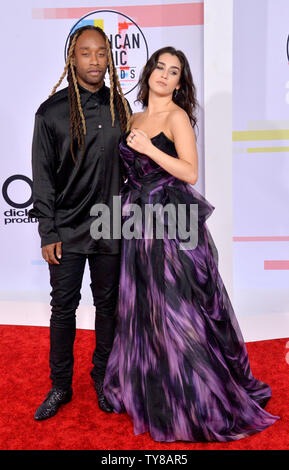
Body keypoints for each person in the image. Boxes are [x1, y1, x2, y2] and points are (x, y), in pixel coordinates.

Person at [103, 47, 279, 442]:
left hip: (168, 219)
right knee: (143, 305)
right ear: (149, 73)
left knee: (175, 307)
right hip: (137, 220)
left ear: (180, 83)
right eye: (160, 67)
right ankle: (153, 390)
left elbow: (191, 170)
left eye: (174, 71)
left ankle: (193, 395)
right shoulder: (134, 116)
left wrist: (148, 149)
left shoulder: (177, 117)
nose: (164, 75)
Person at [29, 25, 130, 421]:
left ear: (109, 59)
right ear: (72, 58)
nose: (94, 61)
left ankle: (103, 379)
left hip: (110, 225)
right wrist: (48, 230)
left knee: (109, 306)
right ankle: (60, 385)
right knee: (63, 309)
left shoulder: (120, 108)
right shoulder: (51, 111)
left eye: (101, 53)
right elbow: (42, 176)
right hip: (67, 229)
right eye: (86, 53)